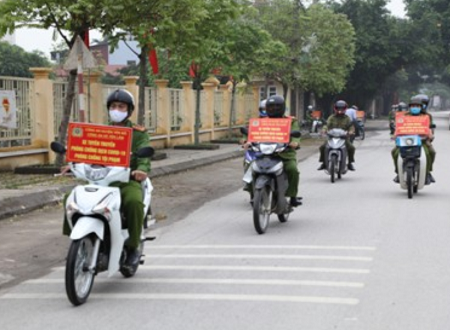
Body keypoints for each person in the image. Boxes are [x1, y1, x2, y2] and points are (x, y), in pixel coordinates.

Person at [62, 89, 151, 269]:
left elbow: (144, 156)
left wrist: (141, 169)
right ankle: (76, 242)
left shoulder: (138, 133)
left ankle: (133, 247)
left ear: (129, 110)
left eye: (121, 106)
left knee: (134, 203)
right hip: (99, 181)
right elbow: (87, 151)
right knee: (70, 199)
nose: (116, 110)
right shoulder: (99, 131)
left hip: (126, 181)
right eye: (113, 106)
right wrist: (73, 163)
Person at [241, 95, 302, 207]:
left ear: (283, 107)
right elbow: (251, 134)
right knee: (249, 166)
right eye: (271, 106)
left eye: (277, 106)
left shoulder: (291, 121)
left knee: (292, 169)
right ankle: (252, 193)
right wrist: (246, 142)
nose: (274, 109)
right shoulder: (260, 122)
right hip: (263, 153)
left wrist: (295, 143)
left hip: (285, 154)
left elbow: (296, 135)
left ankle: (292, 196)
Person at [391, 96, 435, 184]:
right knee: (394, 152)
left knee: (431, 152)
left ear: (421, 107)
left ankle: (427, 173)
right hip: (405, 141)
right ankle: (398, 172)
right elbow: (398, 127)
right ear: (410, 107)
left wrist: (430, 135)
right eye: (413, 106)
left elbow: (430, 128)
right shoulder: (403, 116)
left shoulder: (427, 116)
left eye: (417, 106)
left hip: (422, 141)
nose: (415, 108)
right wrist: (395, 135)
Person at [317, 100, 356, 171]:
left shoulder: (347, 118)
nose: (340, 110)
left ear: (345, 109)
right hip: (331, 137)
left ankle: (350, 163)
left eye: (342, 108)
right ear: (335, 108)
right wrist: (324, 130)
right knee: (322, 147)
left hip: (343, 138)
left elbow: (351, 127)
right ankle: (323, 163)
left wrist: (350, 132)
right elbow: (326, 125)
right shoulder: (331, 117)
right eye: (338, 108)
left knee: (352, 148)